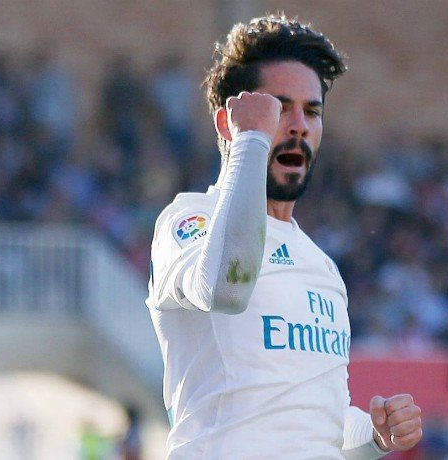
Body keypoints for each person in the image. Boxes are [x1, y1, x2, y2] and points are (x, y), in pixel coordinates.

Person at [145, 14, 422, 459]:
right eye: (279, 108)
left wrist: (373, 434)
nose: (298, 125)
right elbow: (226, 286)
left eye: (312, 111)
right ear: (227, 123)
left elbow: (319, 424)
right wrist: (251, 140)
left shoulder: (322, 267)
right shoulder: (190, 220)